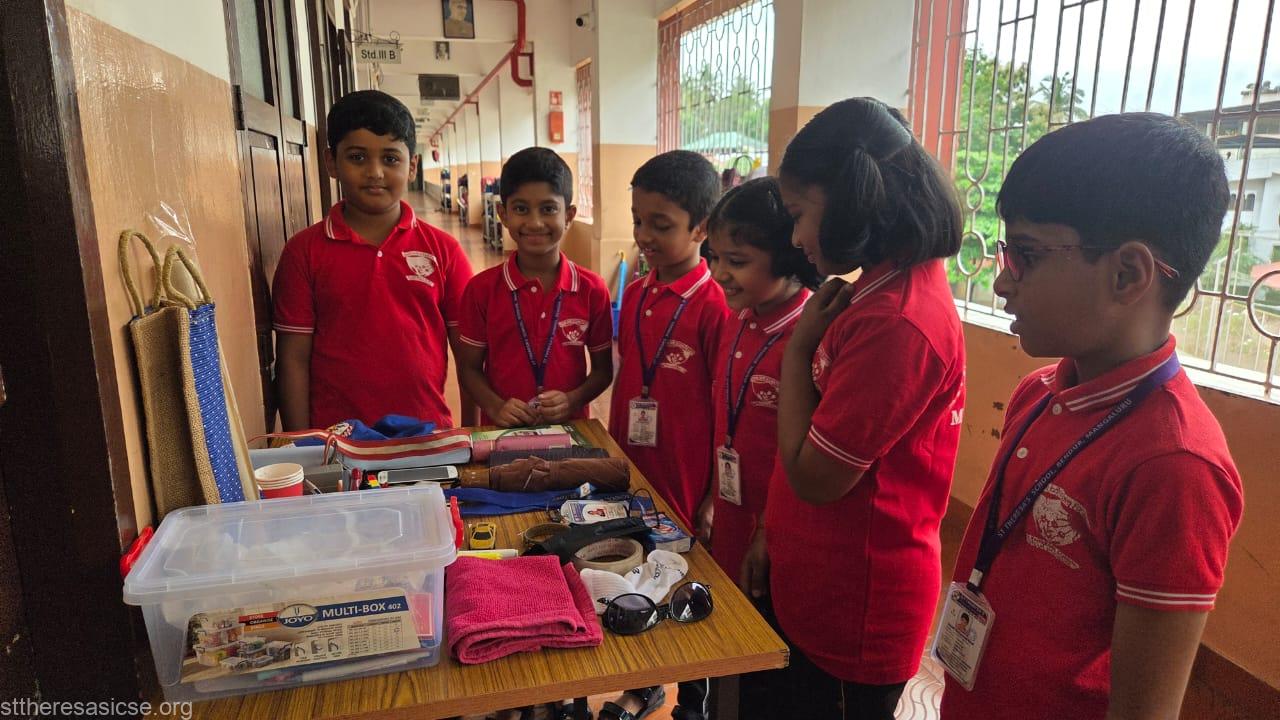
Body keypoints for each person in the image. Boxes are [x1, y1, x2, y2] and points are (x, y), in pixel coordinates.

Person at [939, 113, 1244, 720]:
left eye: (1026, 256)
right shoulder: (1038, 392)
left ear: (1127, 274)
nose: (1001, 283)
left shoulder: (1173, 467)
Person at [767, 97, 966, 719]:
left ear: (850, 199)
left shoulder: (898, 321)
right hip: (823, 581)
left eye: (799, 216)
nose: (796, 238)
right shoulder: (875, 292)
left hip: (858, 608)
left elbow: (814, 478)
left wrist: (797, 352)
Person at [602, 150, 727, 720]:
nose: (644, 236)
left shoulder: (715, 306)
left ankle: (693, 703)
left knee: (689, 587)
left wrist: (712, 496)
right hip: (633, 472)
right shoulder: (637, 291)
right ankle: (645, 682)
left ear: (701, 228)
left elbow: (725, 410)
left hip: (685, 480)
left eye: (661, 224)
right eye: (638, 220)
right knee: (637, 574)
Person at [273, 90, 473, 430]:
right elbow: (293, 359)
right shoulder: (303, 253)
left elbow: (469, 355)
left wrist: (470, 434)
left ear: (412, 166)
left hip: (426, 434)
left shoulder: (444, 250)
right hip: (337, 440)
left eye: (391, 159)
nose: (375, 172)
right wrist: (301, 442)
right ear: (331, 162)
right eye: (357, 157)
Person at [700, 177, 821, 591]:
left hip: (778, 530)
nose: (719, 274)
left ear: (787, 255)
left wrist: (768, 530)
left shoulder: (809, 338)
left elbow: (804, 454)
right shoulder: (738, 318)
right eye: (715, 257)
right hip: (731, 510)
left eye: (736, 261)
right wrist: (712, 497)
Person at [455, 147, 613, 427]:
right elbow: (469, 368)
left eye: (548, 209)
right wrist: (496, 406)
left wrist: (572, 400)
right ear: (503, 214)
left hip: (570, 431)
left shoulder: (592, 290)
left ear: (569, 215)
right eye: (521, 209)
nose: (535, 222)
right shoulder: (481, 290)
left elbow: (603, 371)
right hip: (502, 432)